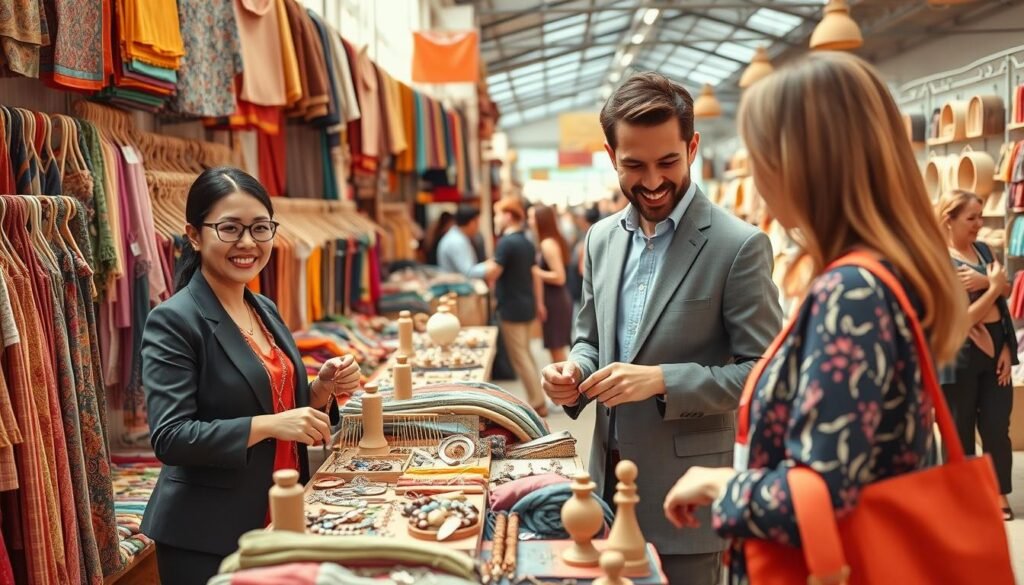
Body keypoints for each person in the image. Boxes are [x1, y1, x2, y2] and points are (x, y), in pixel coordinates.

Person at [661, 53, 968, 583]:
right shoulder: (883, 275)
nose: (757, 177)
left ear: (801, 165)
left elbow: (818, 493)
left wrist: (720, 485)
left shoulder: (851, 293)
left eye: (761, 156)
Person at [540, 71, 782, 584]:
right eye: (634, 165)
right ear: (611, 156)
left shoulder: (738, 246)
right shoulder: (600, 239)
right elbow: (590, 338)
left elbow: (767, 375)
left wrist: (661, 380)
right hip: (605, 492)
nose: (652, 181)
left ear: (692, 148)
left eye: (668, 162)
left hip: (685, 503)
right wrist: (574, 371)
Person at [140, 168, 362, 584]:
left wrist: (320, 390)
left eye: (260, 228)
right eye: (230, 228)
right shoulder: (174, 321)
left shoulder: (263, 308)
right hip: (208, 534)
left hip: (279, 511)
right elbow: (170, 437)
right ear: (194, 235)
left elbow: (275, 403)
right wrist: (269, 425)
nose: (248, 243)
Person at [937, 190, 1016, 520]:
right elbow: (962, 320)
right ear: (949, 220)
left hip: (996, 348)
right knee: (959, 429)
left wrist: (1007, 345)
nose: (979, 224)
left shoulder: (983, 250)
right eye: (971, 218)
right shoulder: (940, 261)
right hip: (959, 353)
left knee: (996, 426)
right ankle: (961, 499)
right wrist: (993, 285)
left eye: (981, 216)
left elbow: (1005, 294)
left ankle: (998, 493)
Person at [484, 196, 547, 416]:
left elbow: (493, 273)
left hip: (511, 306)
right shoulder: (526, 242)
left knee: (520, 357)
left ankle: (537, 402)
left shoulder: (507, 243)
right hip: (525, 303)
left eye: (497, 214)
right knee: (526, 353)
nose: (495, 219)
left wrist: (480, 268)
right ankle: (538, 398)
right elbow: (533, 274)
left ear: (508, 216)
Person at [529, 203, 573, 363]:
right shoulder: (549, 241)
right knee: (556, 350)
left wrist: (536, 271)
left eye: (531, 217)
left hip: (555, 301)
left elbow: (560, 277)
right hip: (554, 299)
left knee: (557, 351)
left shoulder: (548, 244)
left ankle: (566, 379)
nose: (529, 221)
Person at [437, 204, 486, 278]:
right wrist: (488, 267)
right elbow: (468, 272)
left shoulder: (457, 237)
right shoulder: (456, 241)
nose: (478, 227)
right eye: (477, 222)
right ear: (472, 223)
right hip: (455, 284)